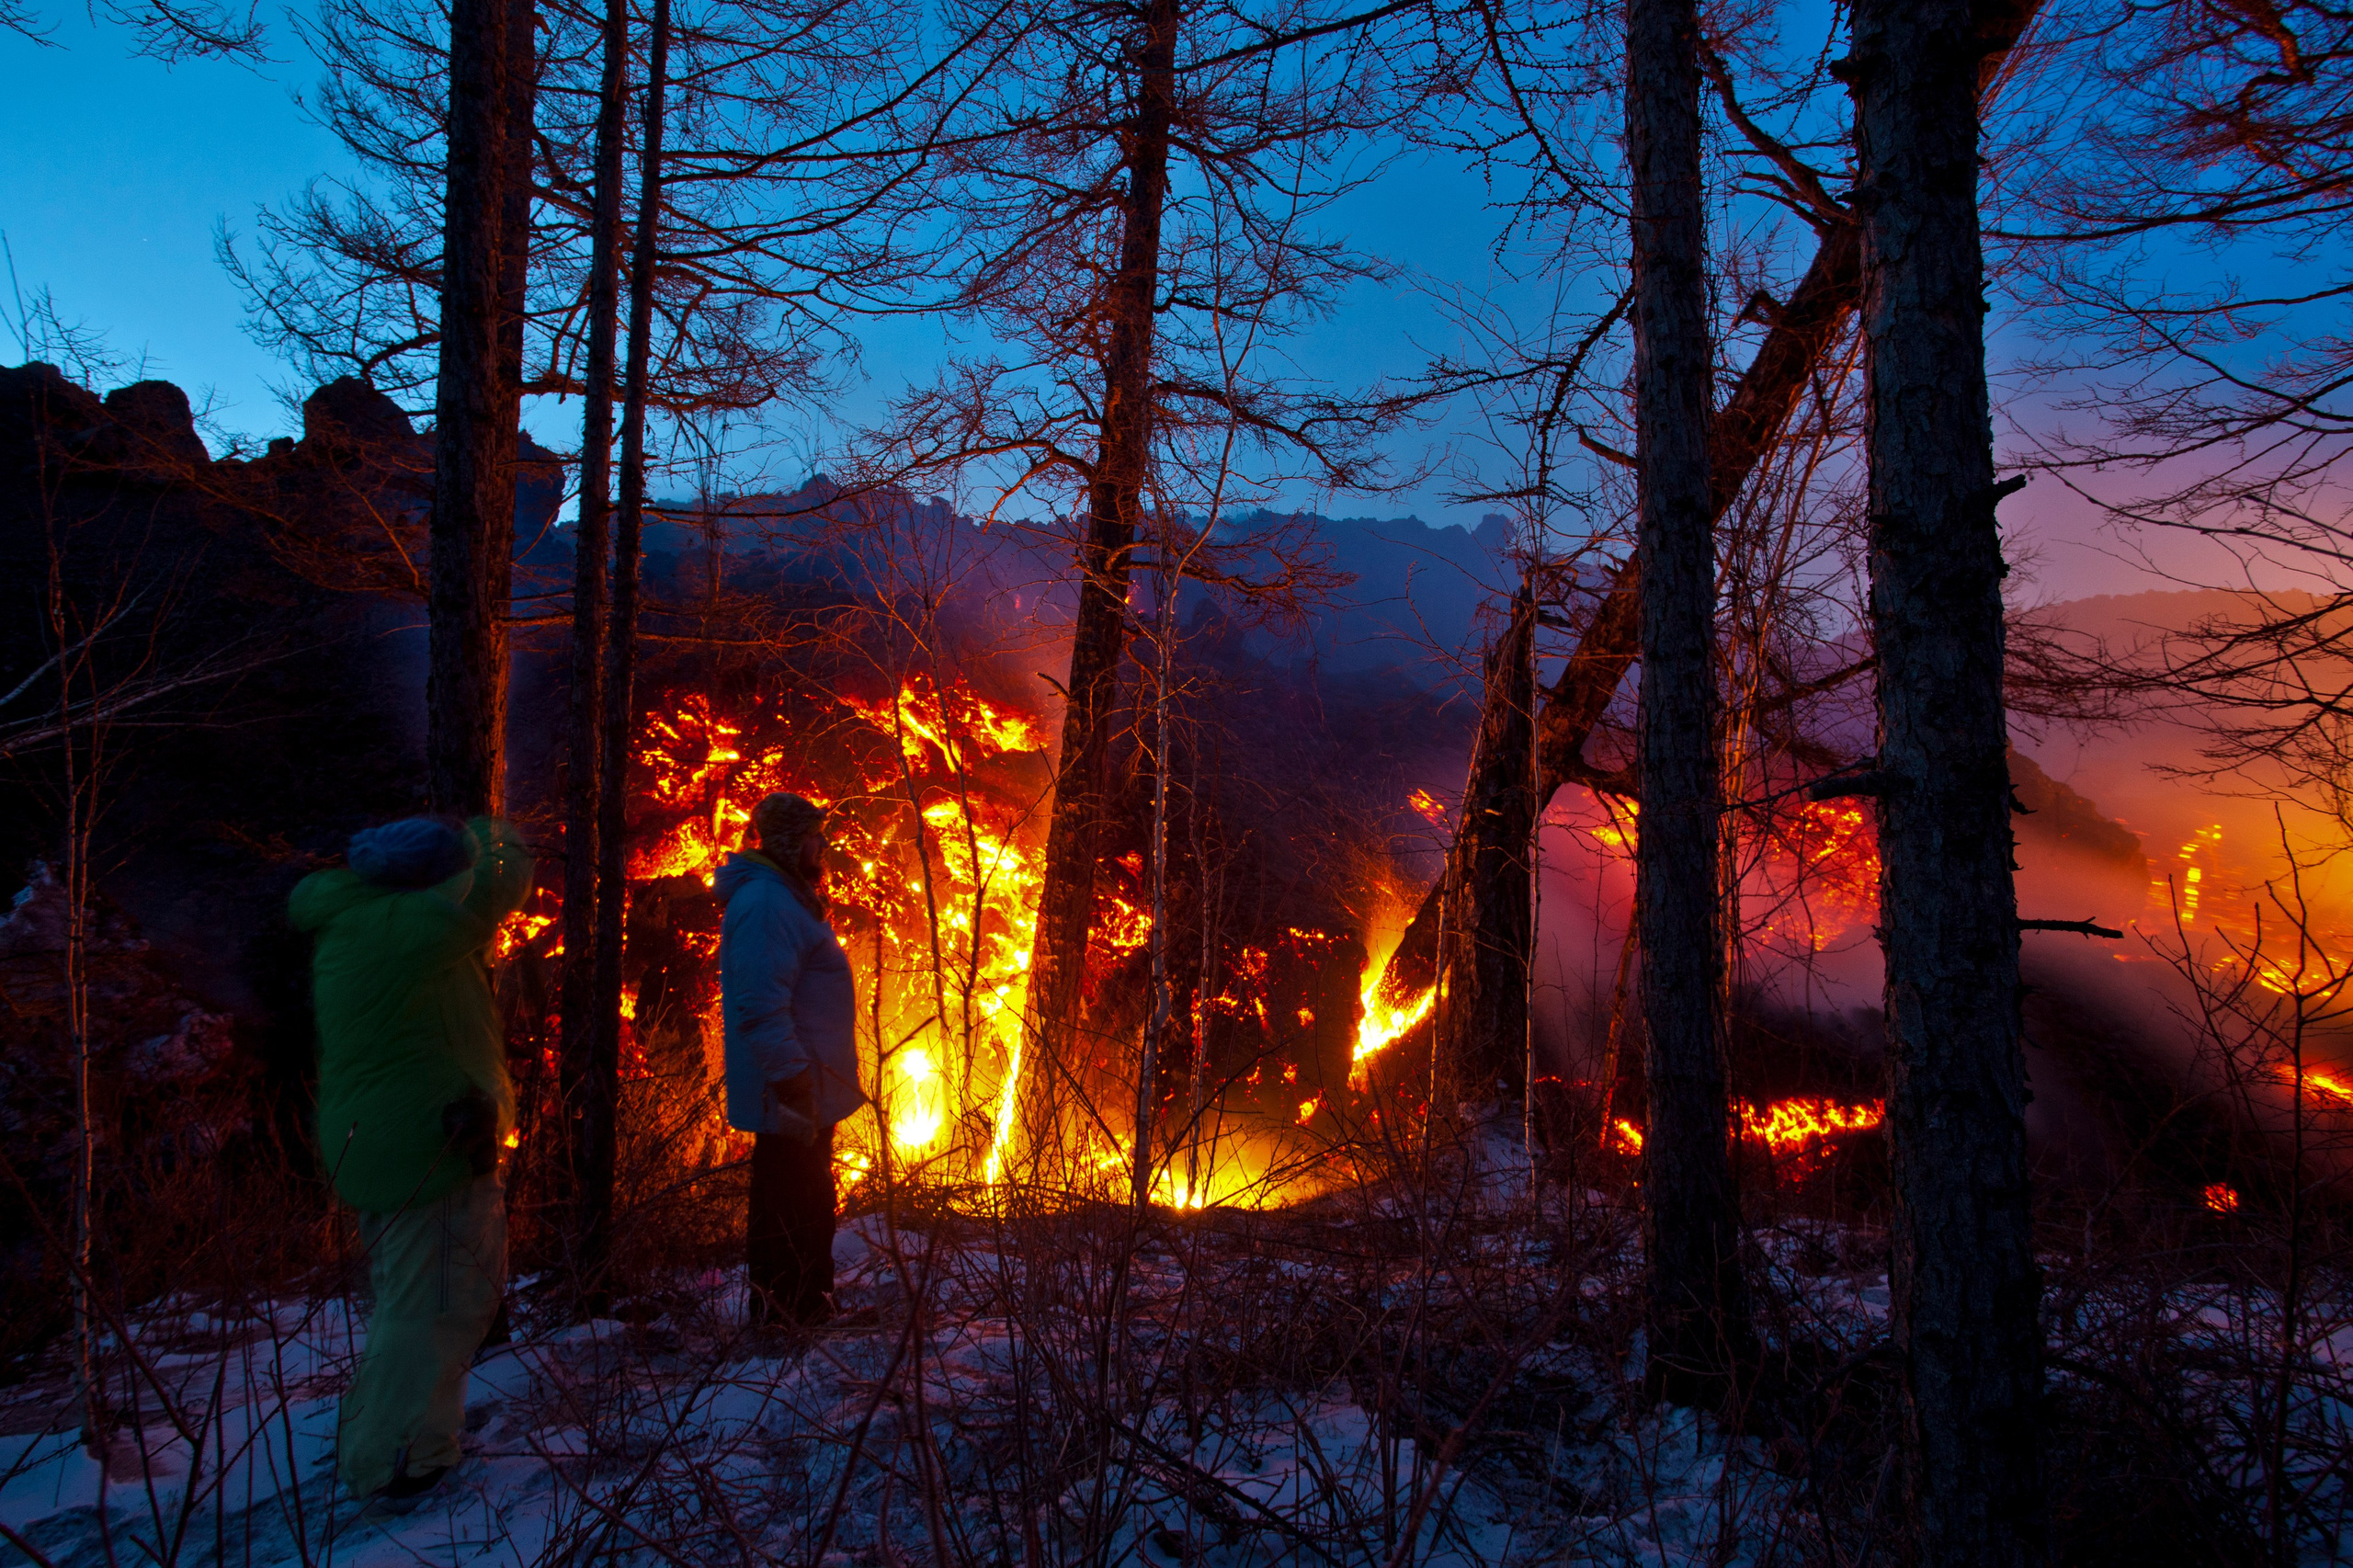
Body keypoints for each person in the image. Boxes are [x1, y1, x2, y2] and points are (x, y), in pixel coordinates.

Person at [290, 815, 533, 1503]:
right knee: (428, 1307)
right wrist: (494, 831)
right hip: (423, 1145)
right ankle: (387, 1460)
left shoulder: (366, 920)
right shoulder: (400, 929)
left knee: (436, 1299)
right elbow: (500, 882)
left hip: (394, 1138)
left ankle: (421, 1445)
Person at [715, 792, 863, 1326]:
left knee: (805, 1196)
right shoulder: (766, 905)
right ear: (789, 842)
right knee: (791, 1200)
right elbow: (760, 1006)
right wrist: (794, 1080)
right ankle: (785, 1314)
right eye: (814, 836)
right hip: (790, 1088)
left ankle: (805, 1306)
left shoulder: (785, 896)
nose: (822, 845)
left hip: (804, 1085)